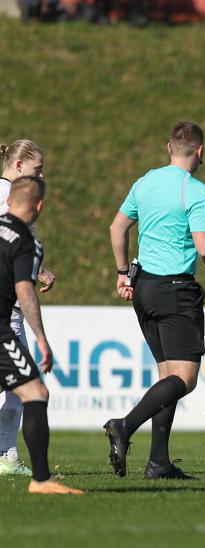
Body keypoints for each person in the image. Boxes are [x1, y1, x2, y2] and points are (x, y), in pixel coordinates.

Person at [105, 122, 205, 480]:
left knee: (168, 377)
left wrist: (122, 272)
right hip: (175, 288)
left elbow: (117, 228)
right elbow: (204, 247)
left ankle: (158, 462)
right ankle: (124, 425)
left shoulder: (145, 182)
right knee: (185, 379)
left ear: (169, 148)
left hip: (143, 287)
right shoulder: (196, 190)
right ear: (200, 152)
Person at [0, 177, 81, 494]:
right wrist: (42, 339)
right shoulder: (26, 240)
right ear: (40, 206)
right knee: (35, 393)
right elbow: (24, 291)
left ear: (9, 201)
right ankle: (42, 481)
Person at [0, 140, 57, 477]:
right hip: (7, 314)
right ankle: (14, 460)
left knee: (18, 388)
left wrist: (37, 269)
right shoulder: (7, 196)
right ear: (19, 165)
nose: (41, 175)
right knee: (28, 388)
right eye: (37, 169)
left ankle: (7, 455)